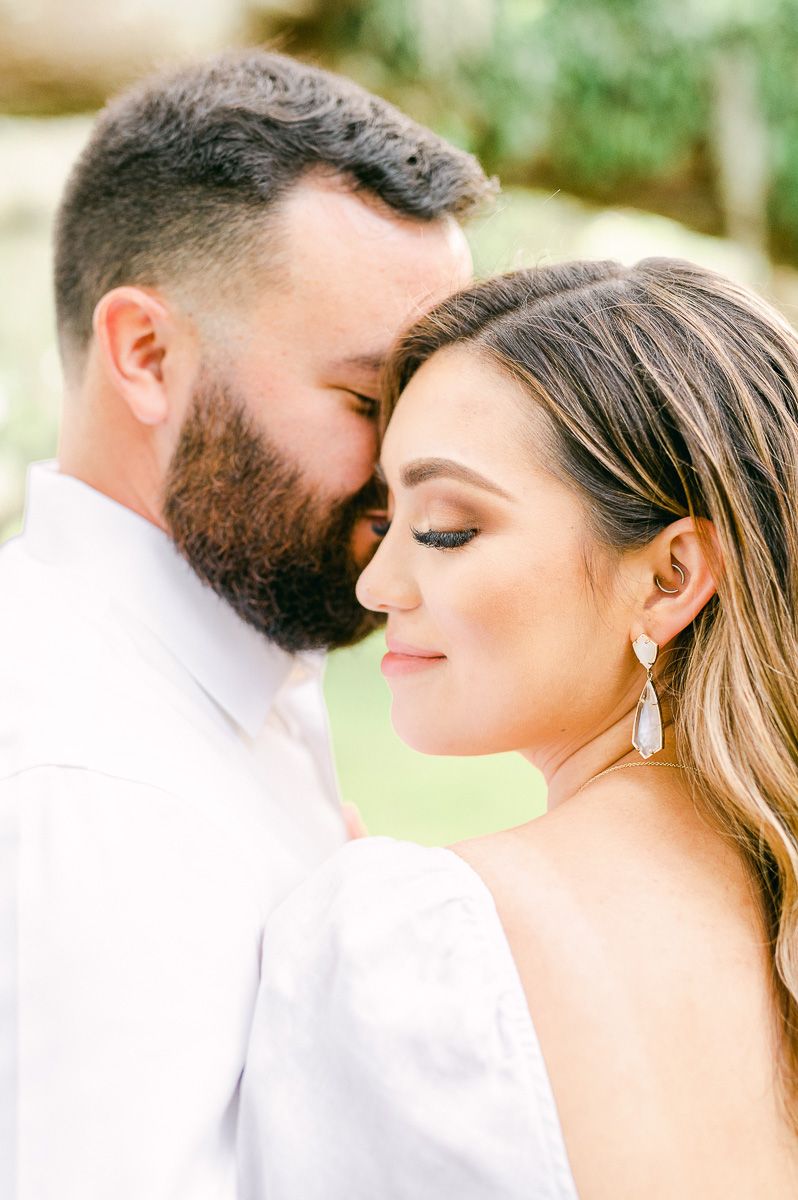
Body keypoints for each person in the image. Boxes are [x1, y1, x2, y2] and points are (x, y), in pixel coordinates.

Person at [0, 49, 488, 1197]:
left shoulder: (228, 679)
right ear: (148, 356)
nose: (413, 473)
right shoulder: (89, 788)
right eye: (367, 401)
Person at [238, 258, 798, 1198]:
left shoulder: (421, 942)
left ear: (669, 578)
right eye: (387, 520)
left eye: (446, 529)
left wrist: (397, 942)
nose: (377, 587)